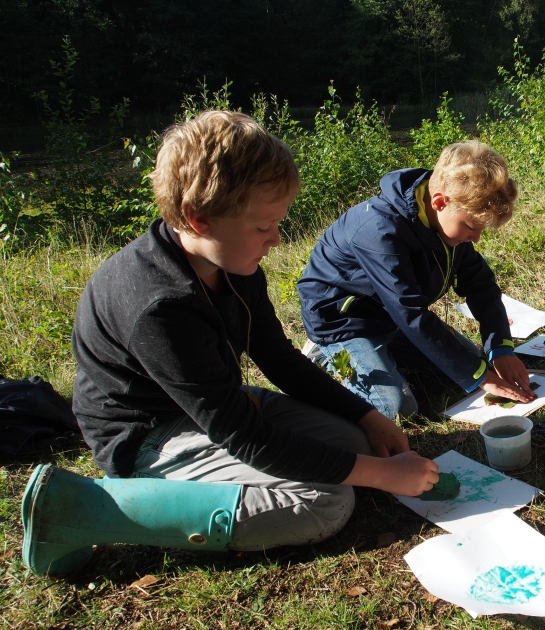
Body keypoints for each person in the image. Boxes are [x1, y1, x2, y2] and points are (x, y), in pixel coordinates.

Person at [21, 111, 441, 577]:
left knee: (356, 441)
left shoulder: (233, 265)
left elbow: (279, 358)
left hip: (213, 405)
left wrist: (366, 415)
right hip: (147, 436)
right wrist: (384, 476)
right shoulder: (159, 306)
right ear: (199, 221)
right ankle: (100, 508)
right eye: (263, 227)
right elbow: (244, 436)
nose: (276, 239)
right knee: (326, 503)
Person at [297, 141, 535, 422]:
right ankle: (324, 359)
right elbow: (411, 314)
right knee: (396, 409)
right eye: (471, 227)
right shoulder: (379, 231)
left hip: (390, 318)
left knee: (474, 367)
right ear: (439, 201)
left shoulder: (446, 222)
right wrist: (481, 376)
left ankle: (388, 355)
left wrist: (500, 347)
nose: (476, 239)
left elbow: (481, 287)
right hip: (345, 321)